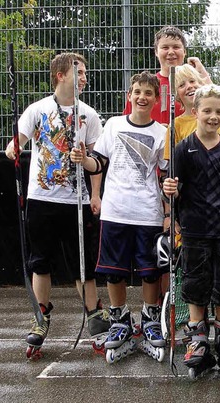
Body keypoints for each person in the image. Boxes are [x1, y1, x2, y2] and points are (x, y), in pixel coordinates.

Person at [3, 52, 109, 357]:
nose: (85, 78)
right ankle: (41, 316)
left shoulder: (89, 115)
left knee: (83, 264)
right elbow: (17, 142)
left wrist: (87, 168)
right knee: (40, 262)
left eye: (86, 73)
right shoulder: (37, 110)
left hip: (75, 201)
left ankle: (94, 315)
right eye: (80, 73)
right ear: (61, 75)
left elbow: (97, 164)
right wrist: (13, 148)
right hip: (41, 198)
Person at [70, 71, 169, 363]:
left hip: (147, 213)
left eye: (148, 93)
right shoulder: (113, 125)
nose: (142, 97)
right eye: (137, 92)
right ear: (129, 96)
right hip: (116, 211)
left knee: (149, 271)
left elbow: (165, 175)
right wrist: (83, 160)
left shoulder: (162, 131)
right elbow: (98, 163)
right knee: (114, 270)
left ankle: (150, 319)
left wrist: (166, 212)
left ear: (156, 99)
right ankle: (120, 319)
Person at [162, 85, 220, 375]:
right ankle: (197, 339)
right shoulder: (183, 149)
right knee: (195, 283)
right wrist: (169, 189)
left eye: (218, 111)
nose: (213, 116)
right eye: (207, 111)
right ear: (195, 112)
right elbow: (171, 192)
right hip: (193, 230)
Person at [123, 25, 212, 125]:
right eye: (165, 47)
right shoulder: (143, 87)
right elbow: (128, 124)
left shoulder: (196, 85)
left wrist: (203, 75)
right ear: (156, 52)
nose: (170, 52)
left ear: (184, 51)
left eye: (176, 47)